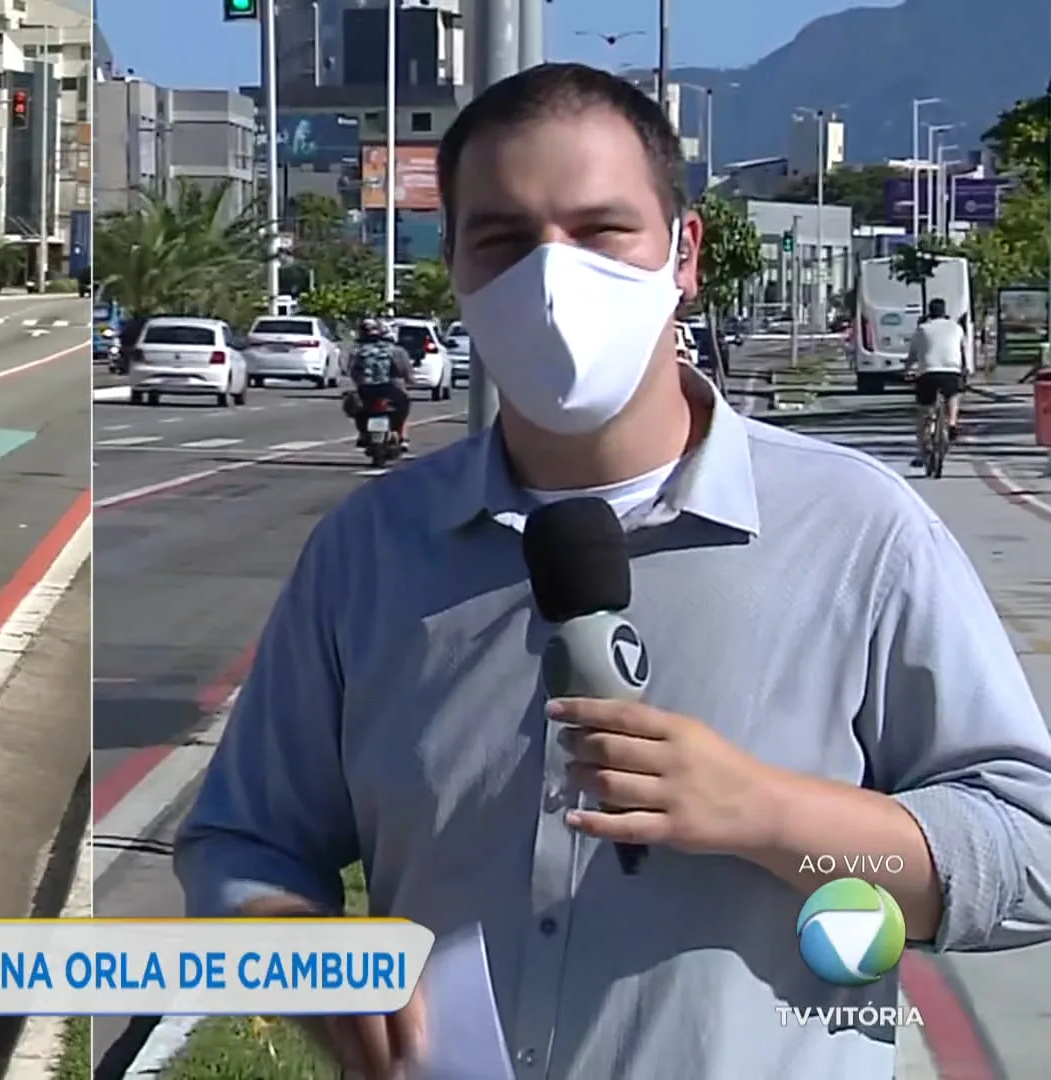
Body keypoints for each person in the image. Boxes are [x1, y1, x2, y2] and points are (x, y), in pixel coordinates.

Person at [175, 62, 1051, 1080]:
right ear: (453, 264)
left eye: (601, 233)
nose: (552, 280)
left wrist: (770, 815)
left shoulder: (860, 532)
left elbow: (1028, 854)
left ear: (684, 255)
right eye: (502, 242)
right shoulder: (367, 551)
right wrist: (299, 949)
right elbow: (242, 839)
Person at [904, 297, 966, 463]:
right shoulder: (956, 327)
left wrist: (907, 369)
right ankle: (952, 422)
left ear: (929, 312)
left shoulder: (922, 329)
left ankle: (926, 442)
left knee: (924, 410)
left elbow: (912, 355)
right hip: (952, 370)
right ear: (944, 311)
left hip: (928, 372)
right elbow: (962, 349)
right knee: (954, 394)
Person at [344, 316, 413, 444]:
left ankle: (363, 434)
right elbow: (405, 370)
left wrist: (357, 381)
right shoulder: (394, 350)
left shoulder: (357, 351)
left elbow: (348, 368)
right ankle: (402, 436)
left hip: (366, 390)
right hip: (389, 389)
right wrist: (409, 380)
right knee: (404, 404)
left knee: (356, 406)